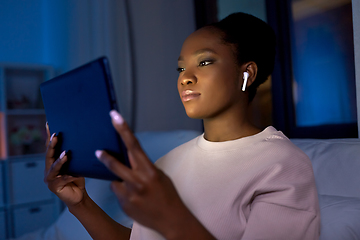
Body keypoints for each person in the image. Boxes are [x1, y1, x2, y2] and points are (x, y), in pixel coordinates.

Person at [44, 12, 320, 240]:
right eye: (180, 68)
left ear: (247, 73)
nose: (186, 78)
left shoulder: (282, 165)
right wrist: (80, 203)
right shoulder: (167, 163)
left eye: (204, 62)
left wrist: (171, 216)